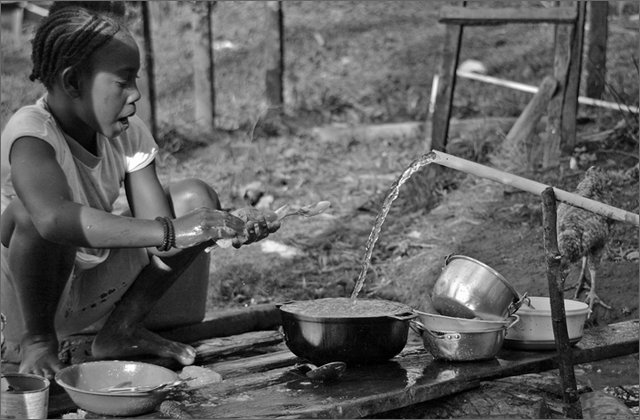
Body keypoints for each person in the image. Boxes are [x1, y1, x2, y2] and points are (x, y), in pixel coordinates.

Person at [0, 4, 280, 379]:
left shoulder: (128, 134)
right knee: (30, 214)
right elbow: (51, 219)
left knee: (194, 198)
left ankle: (121, 329)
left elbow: (158, 229)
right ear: (72, 83)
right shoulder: (31, 133)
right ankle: (36, 343)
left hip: (87, 289)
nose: (136, 95)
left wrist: (222, 224)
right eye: (123, 81)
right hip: (20, 303)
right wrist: (174, 230)